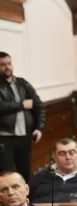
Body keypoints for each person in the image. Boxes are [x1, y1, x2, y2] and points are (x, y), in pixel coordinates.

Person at [0, 51, 46, 180]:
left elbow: (38, 105)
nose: (7, 67)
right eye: (2, 65)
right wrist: (22, 105)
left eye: (9, 63)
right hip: (4, 138)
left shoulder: (22, 83)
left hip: (25, 137)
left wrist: (39, 128)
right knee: (6, 175)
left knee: (25, 172)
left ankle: (27, 199)